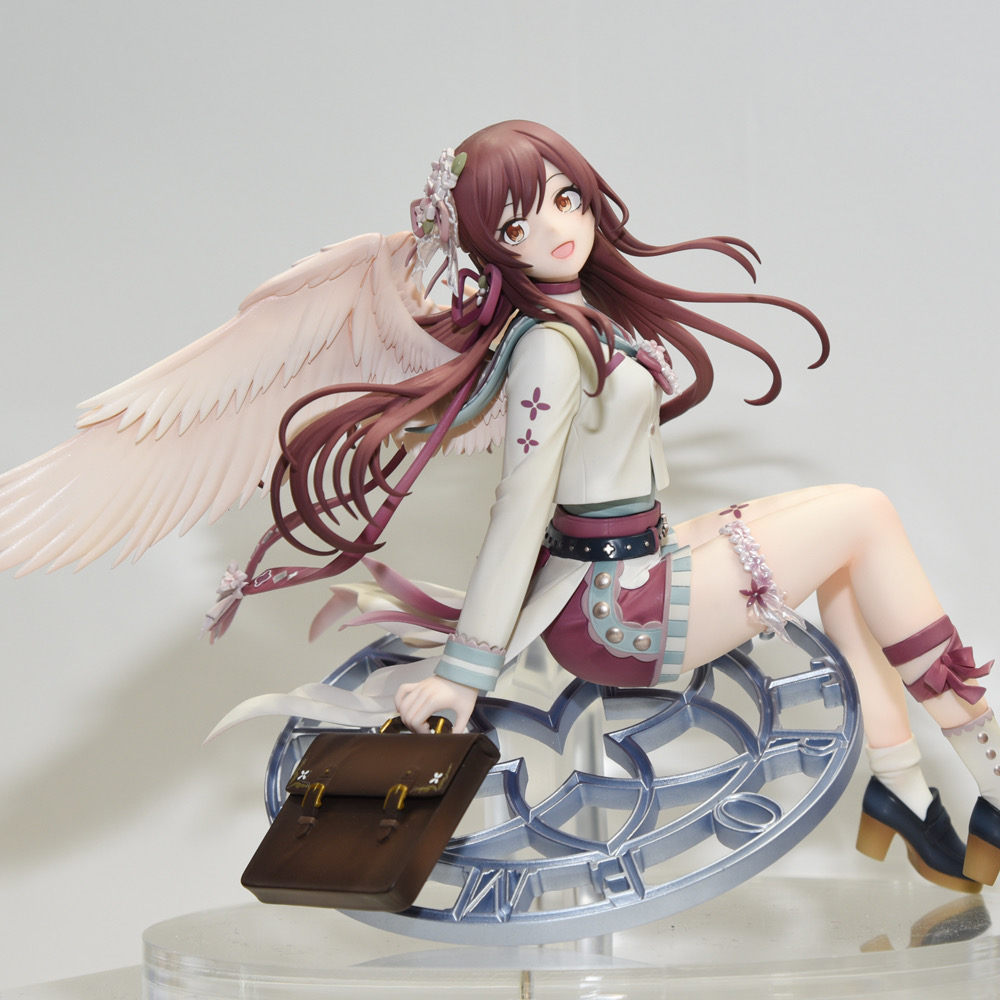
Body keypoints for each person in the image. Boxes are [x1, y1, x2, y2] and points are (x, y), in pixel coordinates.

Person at [3, 121, 998, 894]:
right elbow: (520, 511)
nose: (560, 228)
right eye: (520, 223)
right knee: (864, 515)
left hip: (631, 570)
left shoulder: (573, 322)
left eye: (566, 198)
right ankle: (986, 777)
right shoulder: (548, 350)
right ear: (490, 244)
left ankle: (903, 787)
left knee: (844, 545)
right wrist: (464, 674)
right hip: (616, 613)